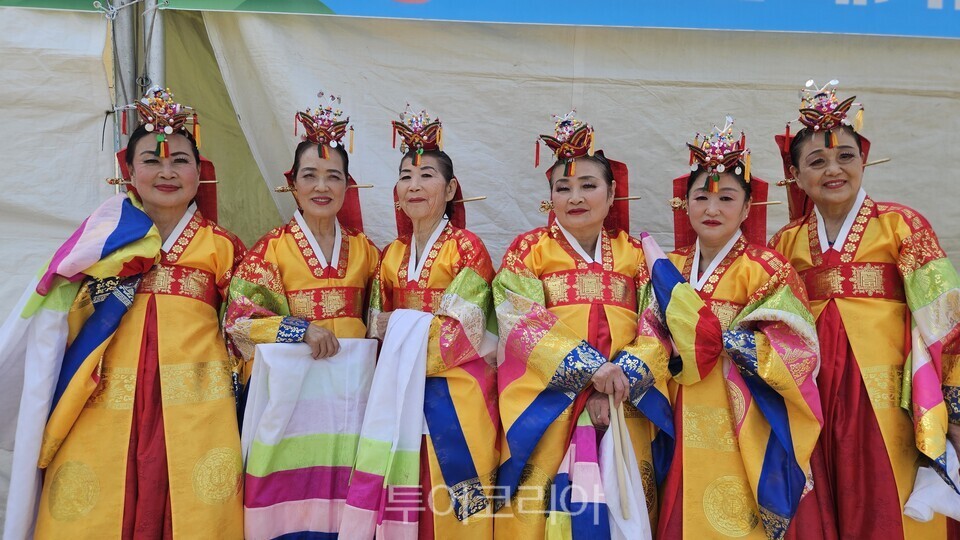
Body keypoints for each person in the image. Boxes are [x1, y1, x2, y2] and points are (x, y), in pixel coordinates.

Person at [2, 86, 245, 538]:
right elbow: (60, 325)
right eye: (152, 161)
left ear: (200, 173)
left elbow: (244, 328)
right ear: (129, 172)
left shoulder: (224, 248)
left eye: (180, 160)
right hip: (105, 404)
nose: (167, 172)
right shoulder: (98, 244)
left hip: (197, 409)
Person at [769, 80, 960, 538]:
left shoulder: (902, 226)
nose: (833, 169)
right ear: (795, 174)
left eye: (846, 156)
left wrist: (954, 409)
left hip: (886, 397)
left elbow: (945, 321)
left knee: (884, 507)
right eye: (816, 161)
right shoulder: (785, 243)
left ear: (864, 161)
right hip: (811, 398)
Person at [493, 112, 682, 538]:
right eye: (563, 188)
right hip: (551, 406)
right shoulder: (529, 251)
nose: (575, 197)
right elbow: (519, 320)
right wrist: (590, 371)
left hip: (624, 405)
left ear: (612, 192)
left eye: (588, 185)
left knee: (623, 509)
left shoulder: (636, 255)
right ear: (550, 198)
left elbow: (657, 326)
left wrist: (617, 381)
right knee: (544, 515)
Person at [224, 93, 380, 538]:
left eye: (333, 177)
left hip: (352, 400)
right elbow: (239, 321)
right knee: (289, 502)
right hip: (293, 401)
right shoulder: (270, 249)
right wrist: (300, 329)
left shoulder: (367, 252)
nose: (321, 187)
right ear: (292, 184)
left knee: (347, 501)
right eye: (309, 176)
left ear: (348, 186)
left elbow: (380, 317)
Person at [657, 119, 822, 539]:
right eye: (701, 198)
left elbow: (798, 347)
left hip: (744, 415)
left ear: (747, 208)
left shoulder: (768, 268)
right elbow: (649, 334)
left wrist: (726, 341)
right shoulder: (667, 268)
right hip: (677, 407)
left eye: (727, 198)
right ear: (685, 204)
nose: (712, 210)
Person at [340, 106, 500, 539]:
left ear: (450, 189)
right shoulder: (391, 255)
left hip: (459, 391)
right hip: (400, 393)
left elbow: (463, 329)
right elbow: (373, 324)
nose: (415, 185)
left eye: (427, 175)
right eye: (406, 177)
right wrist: (407, 325)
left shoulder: (469, 249)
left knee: (459, 502)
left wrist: (402, 326)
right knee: (407, 495)